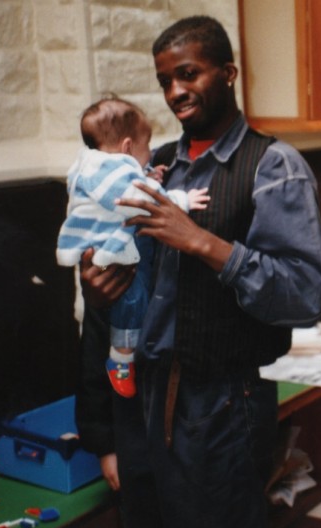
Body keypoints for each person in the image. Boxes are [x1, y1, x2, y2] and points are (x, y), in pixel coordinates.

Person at [74, 16, 321, 528]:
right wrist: (96, 289)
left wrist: (204, 243)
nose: (175, 92)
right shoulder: (153, 167)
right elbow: (116, 286)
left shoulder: (273, 167)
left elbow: (306, 294)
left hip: (220, 407)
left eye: (189, 74)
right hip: (141, 401)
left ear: (229, 73)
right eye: (165, 81)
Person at [56, 96, 209, 399]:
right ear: (126, 147)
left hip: (111, 246)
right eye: (146, 146)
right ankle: (122, 360)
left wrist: (149, 174)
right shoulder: (102, 169)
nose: (149, 153)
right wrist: (181, 201)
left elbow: (130, 183)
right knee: (132, 298)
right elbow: (139, 200)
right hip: (113, 251)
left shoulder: (96, 164)